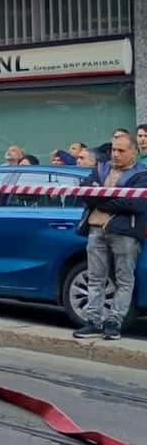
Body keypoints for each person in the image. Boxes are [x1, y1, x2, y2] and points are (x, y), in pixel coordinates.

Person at [72, 133, 147, 341]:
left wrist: (101, 199)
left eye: (121, 150)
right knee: (95, 277)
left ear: (134, 152)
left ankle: (115, 321)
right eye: (114, 149)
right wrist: (112, 197)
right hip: (96, 229)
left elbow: (135, 204)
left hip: (125, 232)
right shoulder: (101, 168)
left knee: (124, 278)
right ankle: (93, 321)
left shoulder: (142, 174)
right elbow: (84, 193)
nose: (115, 154)